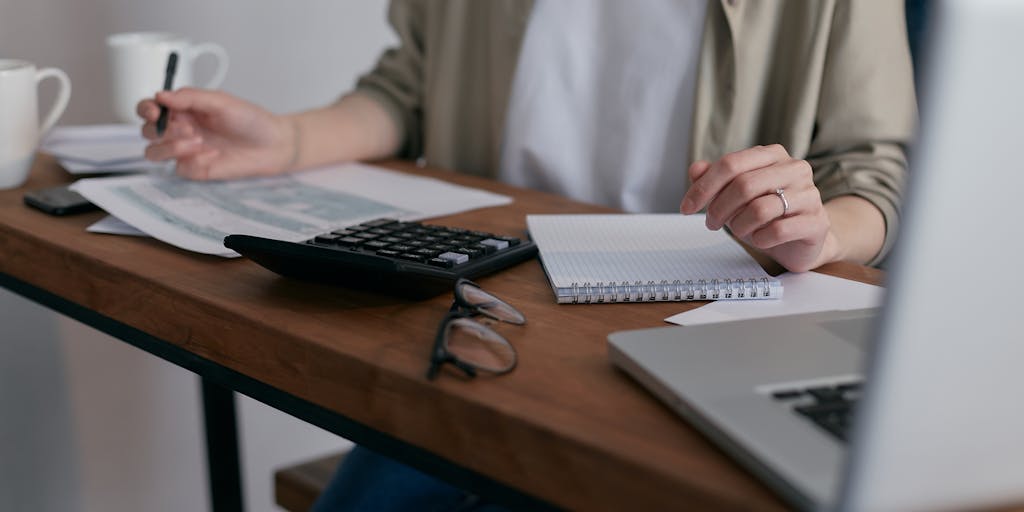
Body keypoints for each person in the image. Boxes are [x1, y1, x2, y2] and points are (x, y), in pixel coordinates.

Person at [138, 1, 916, 509]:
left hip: (699, 333)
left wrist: (819, 231)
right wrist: (289, 139)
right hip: (486, 320)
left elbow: (874, 173)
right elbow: (408, 91)